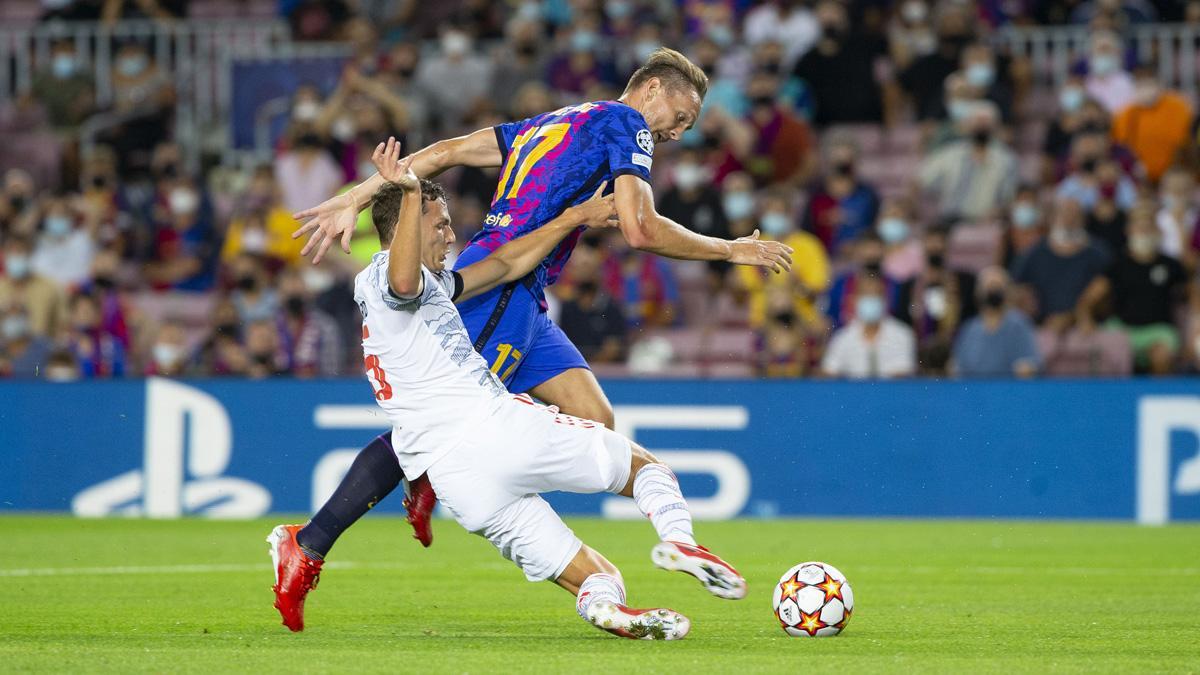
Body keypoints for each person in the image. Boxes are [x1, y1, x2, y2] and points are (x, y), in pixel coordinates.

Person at [292, 48, 792, 543]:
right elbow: (641, 230)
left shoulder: (562, 119)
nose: (679, 133)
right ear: (652, 89)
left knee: (595, 422)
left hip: (528, 294)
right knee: (435, 424)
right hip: (500, 282)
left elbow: (446, 152)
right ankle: (314, 540)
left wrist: (351, 197)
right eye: (680, 117)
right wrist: (730, 249)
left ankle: (438, 476)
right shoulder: (626, 123)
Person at [269, 140, 746, 638]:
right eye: (440, 224)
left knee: (600, 574)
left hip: (459, 482)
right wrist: (410, 192)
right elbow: (404, 278)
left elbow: (501, 266)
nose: (451, 234)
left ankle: (609, 609)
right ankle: (681, 540)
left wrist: (570, 219)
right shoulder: (390, 279)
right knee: (649, 470)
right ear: (406, 227)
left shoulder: (424, 287)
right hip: (496, 430)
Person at [1079, 209, 1188, 374]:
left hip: (1159, 330)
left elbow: (1192, 292)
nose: (1143, 233)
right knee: (1111, 353)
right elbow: (1091, 296)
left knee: (1162, 356)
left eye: (1148, 228)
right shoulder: (1117, 264)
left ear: (1157, 232)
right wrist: (1085, 318)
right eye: (1139, 228)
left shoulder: (1171, 264)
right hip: (1122, 328)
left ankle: (1157, 395)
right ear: (1129, 231)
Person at [820, 274, 916, 379]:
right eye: (865, 296)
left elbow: (905, 375)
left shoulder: (902, 335)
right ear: (854, 301)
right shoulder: (842, 337)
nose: (871, 300)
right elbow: (828, 374)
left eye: (876, 295)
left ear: (886, 300)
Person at [951, 267, 1041, 378]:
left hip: (1008, 391)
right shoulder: (970, 328)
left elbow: (1030, 364)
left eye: (997, 286)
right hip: (974, 391)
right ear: (978, 292)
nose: (993, 291)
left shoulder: (1019, 325)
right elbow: (957, 367)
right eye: (989, 287)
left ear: (1007, 291)